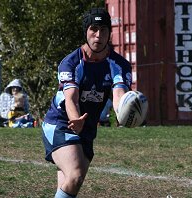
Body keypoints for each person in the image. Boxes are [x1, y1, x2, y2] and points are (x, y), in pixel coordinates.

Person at [42, 8, 132, 198]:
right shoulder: (71, 63)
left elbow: (118, 94)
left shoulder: (119, 64)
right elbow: (71, 97)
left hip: (87, 129)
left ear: (110, 33)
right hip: (61, 123)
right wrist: (75, 119)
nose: (98, 35)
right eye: (94, 29)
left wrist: (124, 112)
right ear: (86, 31)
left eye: (104, 30)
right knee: (75, 174)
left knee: (70, 184)